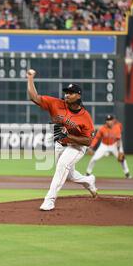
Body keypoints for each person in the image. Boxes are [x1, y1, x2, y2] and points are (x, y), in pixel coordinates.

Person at [27, 69, 98, 211]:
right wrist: (30, 78)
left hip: (77, 146)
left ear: (78, 96)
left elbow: (88, 142)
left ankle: (49, 200)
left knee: (62, 166)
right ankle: (88, 180)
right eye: (66, 92)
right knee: (70, 175)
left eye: (70, 93)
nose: (66, 95)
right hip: (60, 144)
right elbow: (34, 97)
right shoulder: (56, 103)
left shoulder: (85, 117)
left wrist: (69, 137)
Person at [86, 114, 131, 179]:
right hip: (104, 145)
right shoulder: (102, 128)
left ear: (113, 120)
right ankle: (87, 173)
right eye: (107, 120)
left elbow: (118, 140)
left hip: (114, 145)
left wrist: (119, 151)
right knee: (94, 159)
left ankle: (127, 174)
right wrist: (92, 146)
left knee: (122, 159)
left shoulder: (117, 127)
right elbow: (96, 138)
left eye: (110, 120)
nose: (108, 121)